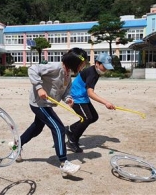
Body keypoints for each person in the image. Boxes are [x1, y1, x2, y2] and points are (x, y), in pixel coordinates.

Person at [12, 47, 87, 175]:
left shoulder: (68, 74)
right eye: (82, 64)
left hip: (47, 104)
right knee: (59, 128)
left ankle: (16, 145)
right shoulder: (55, 67)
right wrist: (39, 87)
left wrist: (68, 98)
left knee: (36, 128)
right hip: (39, 103)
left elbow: (66, 90)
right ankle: (64, 163)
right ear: (74, 62)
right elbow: (32, 69)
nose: (83, 67)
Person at [65, 52, 116, 153]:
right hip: (76, 97)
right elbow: (90, 93)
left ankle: (70, 129)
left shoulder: (95, 72)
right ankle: (72, 140)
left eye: (107, 68)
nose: (105, 70)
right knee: (87, 118)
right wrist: (106, 103)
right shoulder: (92, 73)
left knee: (94, 117)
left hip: (82, 96)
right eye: (104, 67)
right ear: (97, 63)